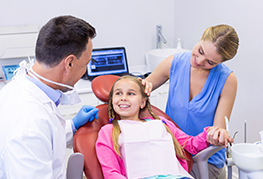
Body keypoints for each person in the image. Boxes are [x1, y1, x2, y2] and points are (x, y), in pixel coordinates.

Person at [0, 15, 99, 178]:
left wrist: (72, 126)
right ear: (69, 63)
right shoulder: (29, 123)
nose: (84, 72)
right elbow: (35, 134)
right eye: (85, 64)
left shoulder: (16, 88)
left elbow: (45, 138)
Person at [141, 24, 239, 179]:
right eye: (200, 51)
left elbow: (217, 129)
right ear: (201, 38)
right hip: (171, 149)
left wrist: (218, 134)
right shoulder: (174, 62)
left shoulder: (227, 80)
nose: (199, 61)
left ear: (220, 63)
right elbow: (144, 87)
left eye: (210, 62)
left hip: (205, 158)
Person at [95, 75, 233, 179]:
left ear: (143, 102)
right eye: (118, 93)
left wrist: (212, 134)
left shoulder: (162, 123)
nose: (123, 98)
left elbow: (191, 144)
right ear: (112, 100)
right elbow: (111, 173)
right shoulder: (109, 131)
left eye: (130, 93)